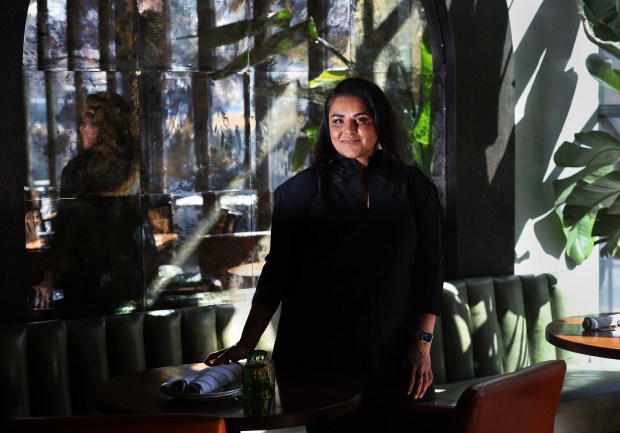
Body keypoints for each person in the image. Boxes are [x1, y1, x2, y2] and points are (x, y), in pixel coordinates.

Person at [204, 77, 443, 432]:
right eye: (338, 120)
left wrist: (422, 344)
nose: (349, 130)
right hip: (321, 356)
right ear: (327, 126)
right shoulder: (300, 192)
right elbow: (277, 273)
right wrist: (246, 343)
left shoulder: (415, 188)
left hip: (396, 351)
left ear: (379, 123)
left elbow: (429, 269)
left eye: (361, 119)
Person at [32, 91, 157, 309]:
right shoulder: (136, 167)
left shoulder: (76, 171)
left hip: (90, 286)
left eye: (90, 124)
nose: (82, 129)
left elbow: (65, 236)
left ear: (108, 129)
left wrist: (49, 279)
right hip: (134, 283)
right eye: (82, 123)